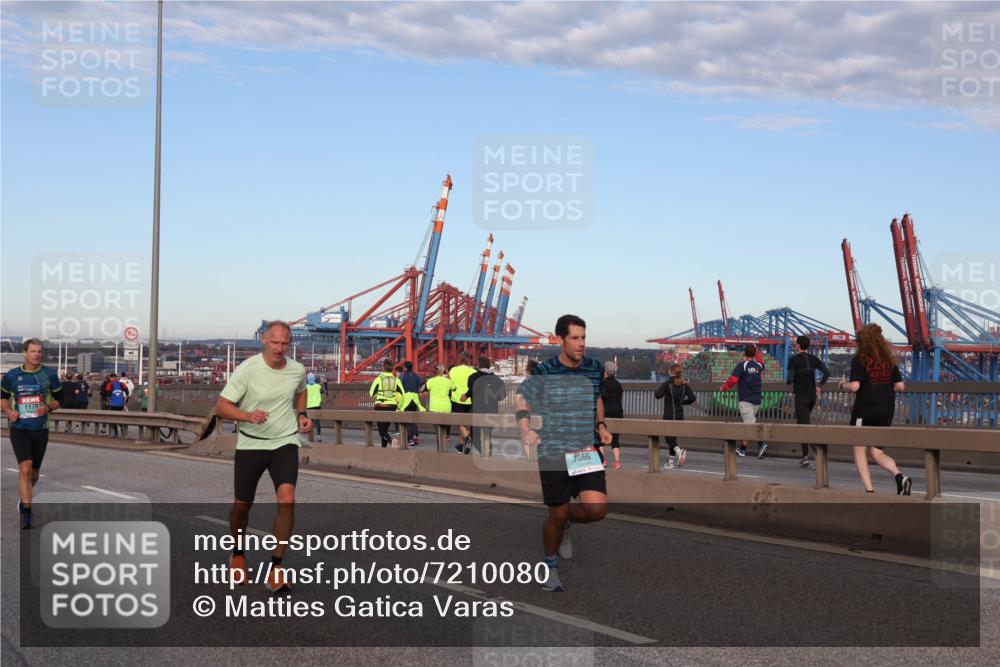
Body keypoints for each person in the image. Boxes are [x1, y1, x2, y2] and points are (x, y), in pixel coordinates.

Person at [516, 314, 613, 592]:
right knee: (555, 516)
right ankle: (549, 567)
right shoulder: (545, 372)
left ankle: (568, 521)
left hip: (586, 450)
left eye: (584, 337)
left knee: (597, 510)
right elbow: (523, 401)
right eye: (575, 338)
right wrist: (525, 430)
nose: (581, 343)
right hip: (554, 452)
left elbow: (596, 398)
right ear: (561, 339)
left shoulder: (594, 368)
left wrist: (602, 425)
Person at [214, 320, 311, 593]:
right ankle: (237, 554)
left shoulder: (297, 370)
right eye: (275, 343)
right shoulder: (247, 370)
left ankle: (276, 569)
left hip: (284, 442)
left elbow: (302, 391)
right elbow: (221, 407)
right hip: (251, 444)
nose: (280, 348)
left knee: (287, 499)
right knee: (242, 506)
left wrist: (302, 415)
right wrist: (247, 416)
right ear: (264, 341)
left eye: (285, 343)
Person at [839, 324, 912, 495]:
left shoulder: (860, 359)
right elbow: (901, 386)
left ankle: (869, 491)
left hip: (865, 409)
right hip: (886, 409)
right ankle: (900, 477)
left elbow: (855, 387)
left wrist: (842, 385)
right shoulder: (888, 359)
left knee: (859, 449)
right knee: (877, 451)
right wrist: (883, 388)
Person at [1, 339, 62, 529]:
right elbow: (3, 399)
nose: (37, 354)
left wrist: (48, 407)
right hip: (19, 428)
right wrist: (9, 412)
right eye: (33, 351)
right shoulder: (12, 375)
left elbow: (60, 398)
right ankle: (27, 514)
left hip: (40, 428)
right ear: (25, 353)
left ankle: (23, 499)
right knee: (25, 468)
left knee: (34, 473)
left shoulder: (49, 375)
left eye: (40, 351)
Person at [786, 335, 831, 468]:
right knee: (802, 425)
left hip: (801, 397)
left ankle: (818, 455)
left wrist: (790, 379)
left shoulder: (793, 360)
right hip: (812, 397)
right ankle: (804, 457)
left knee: (805, 427)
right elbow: (827, 373)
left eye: (796, 343)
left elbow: (789, 379)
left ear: (798, 345)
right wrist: (819, 385)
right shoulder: (814, 359)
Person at [720, 345, 767, 458]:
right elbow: (761, 362)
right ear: (754, 354)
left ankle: (762, 444)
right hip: (757, 400)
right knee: (749, 423)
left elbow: (733, 380)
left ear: (744, 354)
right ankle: (743, 449)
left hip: (746, 399)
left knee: (749, 425)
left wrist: (724, 388)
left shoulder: (742, 366)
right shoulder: (758, 366)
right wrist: (757, 352)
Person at [654, 363, 697, 469]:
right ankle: (671, 463)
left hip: (669, 415)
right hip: (679, 415)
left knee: (669, 439)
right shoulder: (685, 385)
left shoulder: (667, 384)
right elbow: (693, 398)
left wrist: (662, 389)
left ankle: (680, 451)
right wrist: (683, 403)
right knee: (672, 439)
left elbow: (657, 395)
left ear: (671, 372)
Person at [465, 356, 506, 455]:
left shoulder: (473, 377)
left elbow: (471, 390)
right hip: (491, 410)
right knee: (488, 434)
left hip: (477, 409)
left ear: (479, 365)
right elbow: (502, 396)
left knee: (475, 434)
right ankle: (487, 452)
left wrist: (467, 395)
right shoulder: (497, 379)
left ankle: (483, 451)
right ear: (489, 366)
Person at [369, 358, 403, 447]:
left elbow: (371, 393)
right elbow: (402, 393)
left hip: (380, 406)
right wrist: (399, 406)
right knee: (385, 429)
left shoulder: (378, 379)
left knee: (381, 431)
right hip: (392, 407)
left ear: (383, 367)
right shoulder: (397, 380)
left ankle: (391, 441)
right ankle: (384, 449)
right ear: (392, 368)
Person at [448, 352, 477, 453]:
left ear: (460, 359)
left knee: (459, 422)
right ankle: (461, 445)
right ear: (469, 359)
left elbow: (450, 383)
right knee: (465, 423)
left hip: (456, 399)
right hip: (468, 399)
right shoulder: (473, 371)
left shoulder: (453, 370)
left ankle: (467, 437)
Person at [422, 364, 456, 445]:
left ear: (434, 371)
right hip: (446, 407)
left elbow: (424, 390)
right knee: (444, 428)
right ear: (443, 371)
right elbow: (454, 388)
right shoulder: (448, 381)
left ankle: (440, 447)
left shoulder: (430, 381)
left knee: (438, 430)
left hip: (435, 407)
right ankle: (443, 445)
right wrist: (449, 376)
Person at [599, 361, 624, 469]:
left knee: (601, 437)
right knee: (615, 439)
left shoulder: (603, 384)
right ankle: (617, 462)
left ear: (606, 372)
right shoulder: (618, 384)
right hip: (618, 412)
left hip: (606, 413)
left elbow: (603, 397)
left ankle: (602, 460)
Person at [398, 361, 425, 447]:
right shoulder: (416, 375)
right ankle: (415, 434)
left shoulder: (402, 376)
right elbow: (423, 383)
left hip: (407, 400)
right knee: (413, 417)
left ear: (405, 368)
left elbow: (398, 387)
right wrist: (420, 390)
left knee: (408, 419)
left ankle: (410, 438)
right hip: (415, 399)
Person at [305, 373, 324, 441]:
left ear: (307, 379)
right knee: (317, 422)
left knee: (310, 421)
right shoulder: (318, 386)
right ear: (314, 379)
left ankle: (310, 436)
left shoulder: (306, 387)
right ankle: (318, 436)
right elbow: (324, 392)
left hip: (309, 406)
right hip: (317, 406)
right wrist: (325, 384)